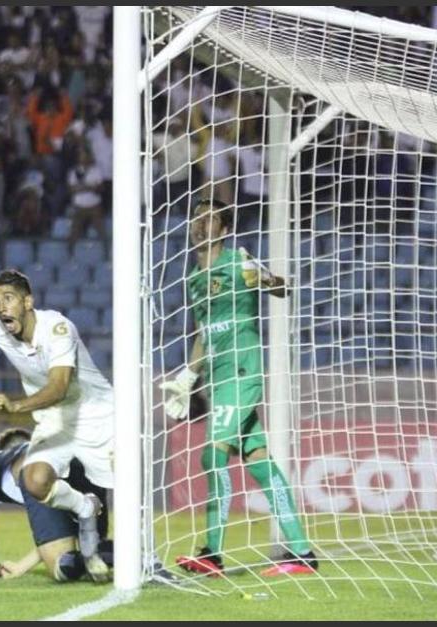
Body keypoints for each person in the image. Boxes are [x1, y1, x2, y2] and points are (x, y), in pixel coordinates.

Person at [159, 199, 318, 577]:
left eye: (210, 218)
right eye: (197, 217)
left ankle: (212, 554)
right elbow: (204, 333)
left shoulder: (237, 262)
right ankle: (302, 552)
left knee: (212, 457)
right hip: (218, 376)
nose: (201, 224)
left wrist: (262, 276)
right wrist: (188, 377)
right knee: (260, 461)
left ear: (225, 229)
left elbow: (282, 289)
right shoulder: (194, 278)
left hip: (242, 369)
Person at [0, 269, 113, 582]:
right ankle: (84, 507)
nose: (1, 306)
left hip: (97, 413)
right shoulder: (0, 327)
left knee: (126, 484)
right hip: (55, 418)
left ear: (28, 302)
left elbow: (59, 387)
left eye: (8, 298)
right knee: (35, 480)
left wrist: (15, 405)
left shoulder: (57, 329)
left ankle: (147, 558)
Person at [0, 427, 112, 583]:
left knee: (62, 565)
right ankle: (126, 554)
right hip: (84, 463)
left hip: (40, 474)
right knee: (95, 547)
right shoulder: (44, 448)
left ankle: (100, 558)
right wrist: (21, 566)